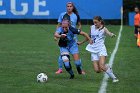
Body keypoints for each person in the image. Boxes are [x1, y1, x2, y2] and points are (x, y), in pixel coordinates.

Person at [85, 16, 119, 83]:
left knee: (102, 66)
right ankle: (108, 67)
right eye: (94, 22)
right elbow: (89, 36)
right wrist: (81, 42)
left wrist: (111, 35)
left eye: (96, 22)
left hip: (101, 49)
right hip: (93, 50)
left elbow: (109, 33)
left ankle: (114, 78)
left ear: (100, 21)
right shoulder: (91, 27)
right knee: (97, 70)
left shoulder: (104, 29)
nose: (95, 24)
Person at [55, 2, 82, 74]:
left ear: (73, 7)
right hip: (63, 37)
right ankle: (60, 69)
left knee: (75, 54)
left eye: (70, 6)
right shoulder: (62, 15)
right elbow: (59, 25)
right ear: (66, 7)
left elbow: (79, 25)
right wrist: (56, 36)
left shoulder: (76, 15)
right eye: (68, 6)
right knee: (63, 54)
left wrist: (77, 31)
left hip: (73, 37)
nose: (69, 7)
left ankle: (80, 69)